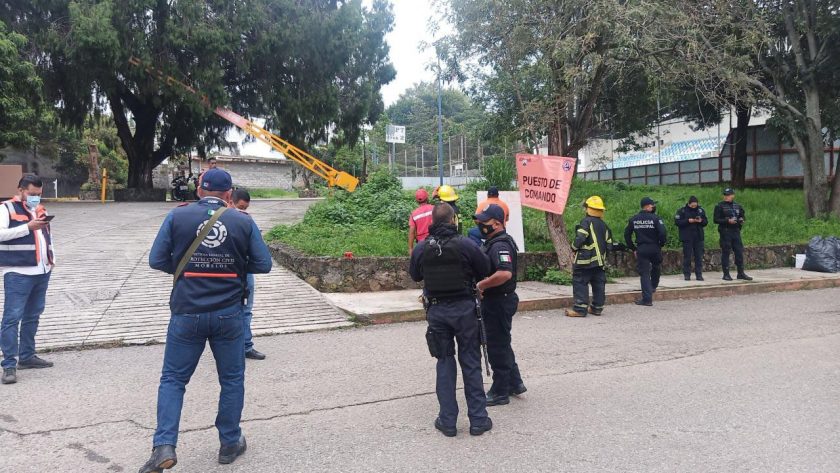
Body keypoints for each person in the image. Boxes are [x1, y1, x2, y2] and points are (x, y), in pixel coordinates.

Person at [141, 168, 272, 472]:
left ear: (199, 190)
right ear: (229, 194)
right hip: (229, 314)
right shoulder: (242, 220)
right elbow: (263, 264)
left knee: (173, 380)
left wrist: (186, 268)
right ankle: (229, 442)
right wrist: (232, 267)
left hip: (187, 311)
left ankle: (164, 446)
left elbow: (156, 259)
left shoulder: (177, 216)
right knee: (231, 379)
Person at [409, 203, 494, 437]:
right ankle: (478, 420)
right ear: (453, 220)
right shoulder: (466, 244)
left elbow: (415, 275)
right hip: (465, 310)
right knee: (471, 362)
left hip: (437, 312)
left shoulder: (422, 248)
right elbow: (485, 267)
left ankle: (447, 421)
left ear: (432, 222)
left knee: (444, 362)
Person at [0, 175, 54, 385]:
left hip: (42, 270)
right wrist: (27, 227)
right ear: (21, 190)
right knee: (12, 319)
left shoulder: (40, 209)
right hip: (18, 272)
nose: (36, 198)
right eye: (32, 194)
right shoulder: (6, 208)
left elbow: (46, 237)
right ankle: (9, 365)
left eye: (39, 194)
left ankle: (27, 356)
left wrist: (51, 260)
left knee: (33, 315)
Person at [475, 204, 526, 406]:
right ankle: (515, 382)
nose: (480, 224)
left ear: (497, 223)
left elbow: (504, 273)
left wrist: (481, 285)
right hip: (498, 300)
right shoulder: (495, 241)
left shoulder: (499, 245)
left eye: (484, 221)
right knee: (502, 342)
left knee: (497, 346)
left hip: (498, 301)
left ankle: (500, 391)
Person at [566, 196, 622, 317]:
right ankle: (597, 308)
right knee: (598, 284)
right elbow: (609, 245)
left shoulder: (586, 222)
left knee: (580, 282)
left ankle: (580, 309)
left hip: (584, 261)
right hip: (599, 262)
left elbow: (580, 238)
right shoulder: (604, 225)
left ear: (587, 209)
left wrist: (573, 248)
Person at [231, 189, 266, 361]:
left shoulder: (247, 221)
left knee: (245, 310)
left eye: (245, 208)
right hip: (230, 272)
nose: (242, 211)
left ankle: (246, 345)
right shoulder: (223, 221)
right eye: (240, 207)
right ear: (229, 201)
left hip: (244, 272)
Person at [624, 197, 667, 307]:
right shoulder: (656, 218)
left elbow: (627, 235)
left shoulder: (634, 219)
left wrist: (633, 248)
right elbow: (663, 233)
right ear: (647, 206)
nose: (654, 207)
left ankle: (647, 299)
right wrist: (661, 244)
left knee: (644, 274)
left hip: (642, 248)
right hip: (655, 247)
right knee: (656, 266)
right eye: (652, 205)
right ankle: (653, 286)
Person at [714, 188, 752, 281]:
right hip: (725, 232)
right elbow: (716, 220)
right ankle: (726, 274)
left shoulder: (737, 205)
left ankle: (741, 273)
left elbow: (742, 215)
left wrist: (742, 219)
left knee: (739, 252)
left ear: (733, 195)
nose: (726, 197)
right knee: (726, 252)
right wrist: (727, 221)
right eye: (725, 195)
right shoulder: (719, 206)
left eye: (728, 195)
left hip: (736, 231)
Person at [675, 196, 708, 281]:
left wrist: (701, 221)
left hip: (698, 237)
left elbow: (705, 222)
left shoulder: (700, 210)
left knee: (699, 257)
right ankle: (687, 275)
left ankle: (699, 275)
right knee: (687, 257)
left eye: (695, 205)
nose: (694, 207)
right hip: (687, 237)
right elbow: (677, 222)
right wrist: (688, 221)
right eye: (692, 206)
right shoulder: (682, 211)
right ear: (689, 204)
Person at [408, 188, 434, 253]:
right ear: (427, 198)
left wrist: (410, 249)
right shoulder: (434, 208)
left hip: (421, 244)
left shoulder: (413, 214)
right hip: (434, 241)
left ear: (417, 200)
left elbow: (411, 232)